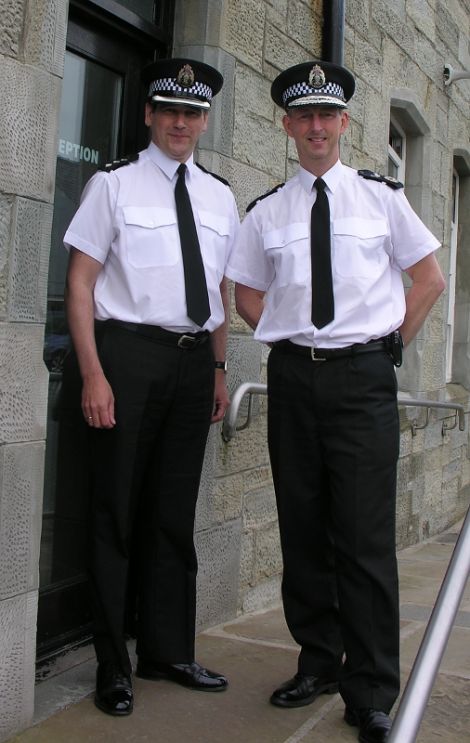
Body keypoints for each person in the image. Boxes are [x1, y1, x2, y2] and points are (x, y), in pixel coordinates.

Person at [226, 60, 445, 743]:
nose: (316, 127)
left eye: (327, 115)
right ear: (288, 126)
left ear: (344, 124)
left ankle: (373, 686)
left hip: (363, 381)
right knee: (303, 529)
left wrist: (389, 346)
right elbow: (244, 292)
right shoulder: (266, 210)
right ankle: (318, 661)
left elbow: (429, 278)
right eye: (304, 116)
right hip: (295, 381)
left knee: (364, 539)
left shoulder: (381, 197)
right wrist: (286, 334)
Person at [63, 57, 239, 717]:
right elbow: (80, 283)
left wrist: (220, 369)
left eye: (192, 113)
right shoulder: (113, 186)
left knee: (172, 514)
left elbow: (219, 289)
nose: (181, 122)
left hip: (196, 367)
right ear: (149, 114)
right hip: (128, 357)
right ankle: (113, 663)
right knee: (114, 513)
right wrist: (93, 372)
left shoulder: (220, 195)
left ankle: (166, 648)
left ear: (203, 121)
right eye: (170, 110)